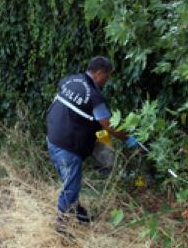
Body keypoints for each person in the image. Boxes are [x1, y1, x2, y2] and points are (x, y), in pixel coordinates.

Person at [46, 56, 137, 231]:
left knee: (69, 182)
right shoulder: (95, 97)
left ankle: (78, 214)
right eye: (107, 76)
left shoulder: (70, 80)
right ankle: (62, 225)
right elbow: (108, 125)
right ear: (99, 73)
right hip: (67, 146)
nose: (107, 80)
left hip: (52, 139)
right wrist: (128, 138)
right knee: (71, 185)